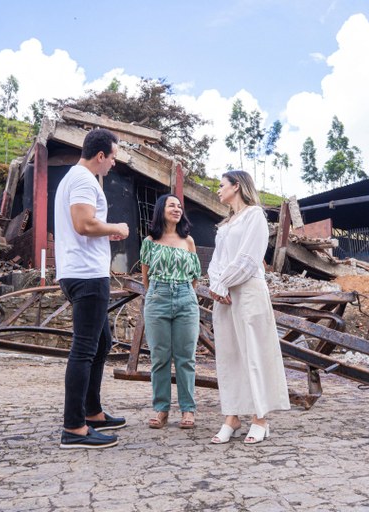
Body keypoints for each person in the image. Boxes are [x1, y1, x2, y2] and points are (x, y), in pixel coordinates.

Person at [54, 128, 130, 449]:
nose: (113, 163)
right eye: (113, 157)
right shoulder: (84, 180)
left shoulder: (74, 179)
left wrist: (105, 233)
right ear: (101, 156)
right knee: (84, 349)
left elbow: (86, 227)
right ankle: (74, 428)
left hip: (80, 271)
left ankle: (93, 411)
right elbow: (83, 224)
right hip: (86, 275)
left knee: (102, 343)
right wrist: (118, 228)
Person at [208, 170, 290, 445]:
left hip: (248, 291)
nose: (218, 190)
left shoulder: (255, 216)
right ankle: (232, 416)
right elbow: (215, 261)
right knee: (229, 355)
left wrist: (222, 284)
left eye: (222, 185)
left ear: (237, 186)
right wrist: (217, 285)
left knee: (254, 352)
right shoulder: (224, 225)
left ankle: (260, 417)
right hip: (225, 296)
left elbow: (248, 258)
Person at [140, 194, 201, 430]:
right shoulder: (149, 241)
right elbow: (145, 278)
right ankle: (161, 408)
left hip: (186, 298)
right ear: (160, 210)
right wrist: (159, 293)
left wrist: (184, 293)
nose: (176, 209)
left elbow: (195, 277)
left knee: (186, 358)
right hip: (157, 298)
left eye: (179, 206)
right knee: (160, 357)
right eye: (171, 205)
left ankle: (188, 410)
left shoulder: (189, 241)